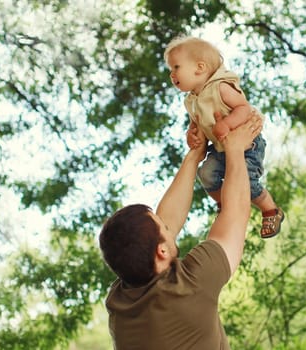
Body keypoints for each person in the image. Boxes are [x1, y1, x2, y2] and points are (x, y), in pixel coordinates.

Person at [98, 112, 262, 349]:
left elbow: (160, 230)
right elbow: (235, 213)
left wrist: (194, 156)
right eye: (163, 227)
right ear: (162, 251)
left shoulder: (121, 301)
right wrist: (235, 149)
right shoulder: (190, 288)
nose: (168, 225)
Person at [164, 35, 284, 238]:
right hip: (220, 149)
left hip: (247, 145)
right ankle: (224, 204)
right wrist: (191, 135)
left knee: (246, 181)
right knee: (206, 174)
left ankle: (270, 209)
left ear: (199, 68)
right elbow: (196, 124)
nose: (171, 74)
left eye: (176, 67)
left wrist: (227, 123)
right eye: (170, 70)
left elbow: (244, 108)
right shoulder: (191, 101)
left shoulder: (220, 88)